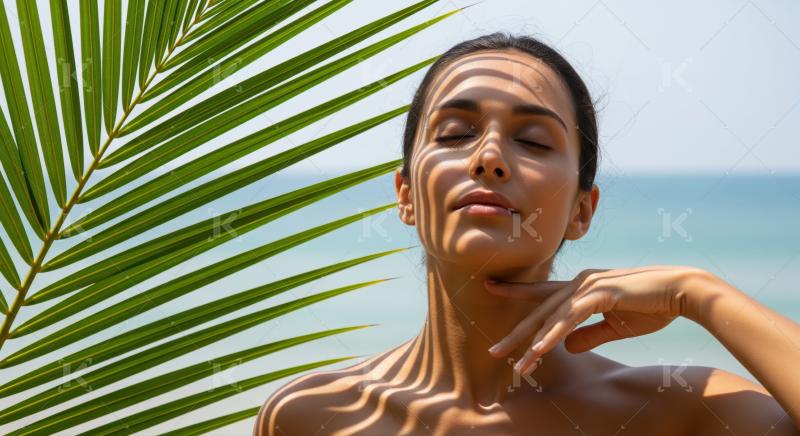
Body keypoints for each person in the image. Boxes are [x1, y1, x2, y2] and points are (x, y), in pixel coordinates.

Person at [255, 32, 799, 435]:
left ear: (581, 212)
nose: (488, 157)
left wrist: (698, 293)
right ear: (405, 195)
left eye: (535, 142)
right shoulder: (313, 414)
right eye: (455, 134)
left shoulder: (682, 410)